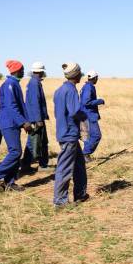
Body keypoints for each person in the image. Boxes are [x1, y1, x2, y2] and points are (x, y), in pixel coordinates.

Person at [0, 60, 33, 192]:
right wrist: (23, 122)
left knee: (16, 152)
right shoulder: (9, 85)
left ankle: (10, 182)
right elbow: (11, 106)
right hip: (9, 123)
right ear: (16, 70)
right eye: (22, 69)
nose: (23, 72)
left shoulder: (13, 84)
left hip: (13, 123)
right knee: (15, 151)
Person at [53, 62, 89, 208]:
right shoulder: (71, 91)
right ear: (76, 75)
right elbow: (74, 111)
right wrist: (85, 117)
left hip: (64, 131)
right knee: (65, 167)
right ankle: (60, 201)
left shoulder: (59, 90)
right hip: (69, 134)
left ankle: (80, 194)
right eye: (80, 73)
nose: (81, 75)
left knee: (79, 165)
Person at [21, 61, 50, 172]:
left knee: (42, 141)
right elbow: (35, 102)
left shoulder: (34, 82)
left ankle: (42, 164)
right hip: (35, 118)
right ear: (41, 72)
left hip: (35, 117)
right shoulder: (34, 83)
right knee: (33, 142)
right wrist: (38, 119)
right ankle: (26, 164)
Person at [80, 70, 105, 162]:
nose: (97, 79)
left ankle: (85, 158)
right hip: (89, 115)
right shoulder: (89, 87)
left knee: (87, 137)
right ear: (94, 78)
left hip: (83, 115)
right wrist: (99, 101)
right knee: (96, 135)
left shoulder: (85, 86)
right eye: (97, 78)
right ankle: (85, 153)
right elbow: (86, 102)